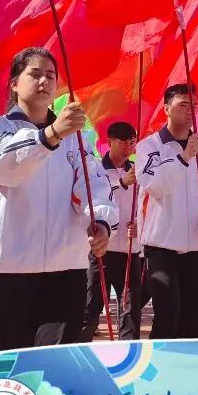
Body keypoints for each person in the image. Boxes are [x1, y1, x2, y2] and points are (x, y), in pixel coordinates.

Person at [0, 47, 116, 352]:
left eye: (50, 76)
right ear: (14, 84)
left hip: (66, 268)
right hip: (6, 269)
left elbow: (93, 183)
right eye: (35, 74)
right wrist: (50, 135)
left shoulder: (77, 138)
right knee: (6, 363)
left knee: (55, 362)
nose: (44, 81)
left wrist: (100, 222)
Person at [136, 83, 198, 339]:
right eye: (183, 104)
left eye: (194, 105)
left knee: (192, 316)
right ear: (166, 108)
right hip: (161, 247)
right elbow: (155, 186)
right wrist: (184, 158)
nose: (190, 111)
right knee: (168, 315)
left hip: (195, 248)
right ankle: (158, 360)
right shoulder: (149, 147)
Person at [82, 121, 143, 342]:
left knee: (130, 308)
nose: (128, 148)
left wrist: (140, 226)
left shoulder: (138, 170)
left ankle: (130, 350)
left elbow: (147, 204)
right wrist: (122, 183)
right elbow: (92, 199)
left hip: (129, 250)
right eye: (123, 143)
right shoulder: (96, 169)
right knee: (93, 303)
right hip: (101, 250)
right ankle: (82, 346)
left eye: (132, 143)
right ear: (110, 142)